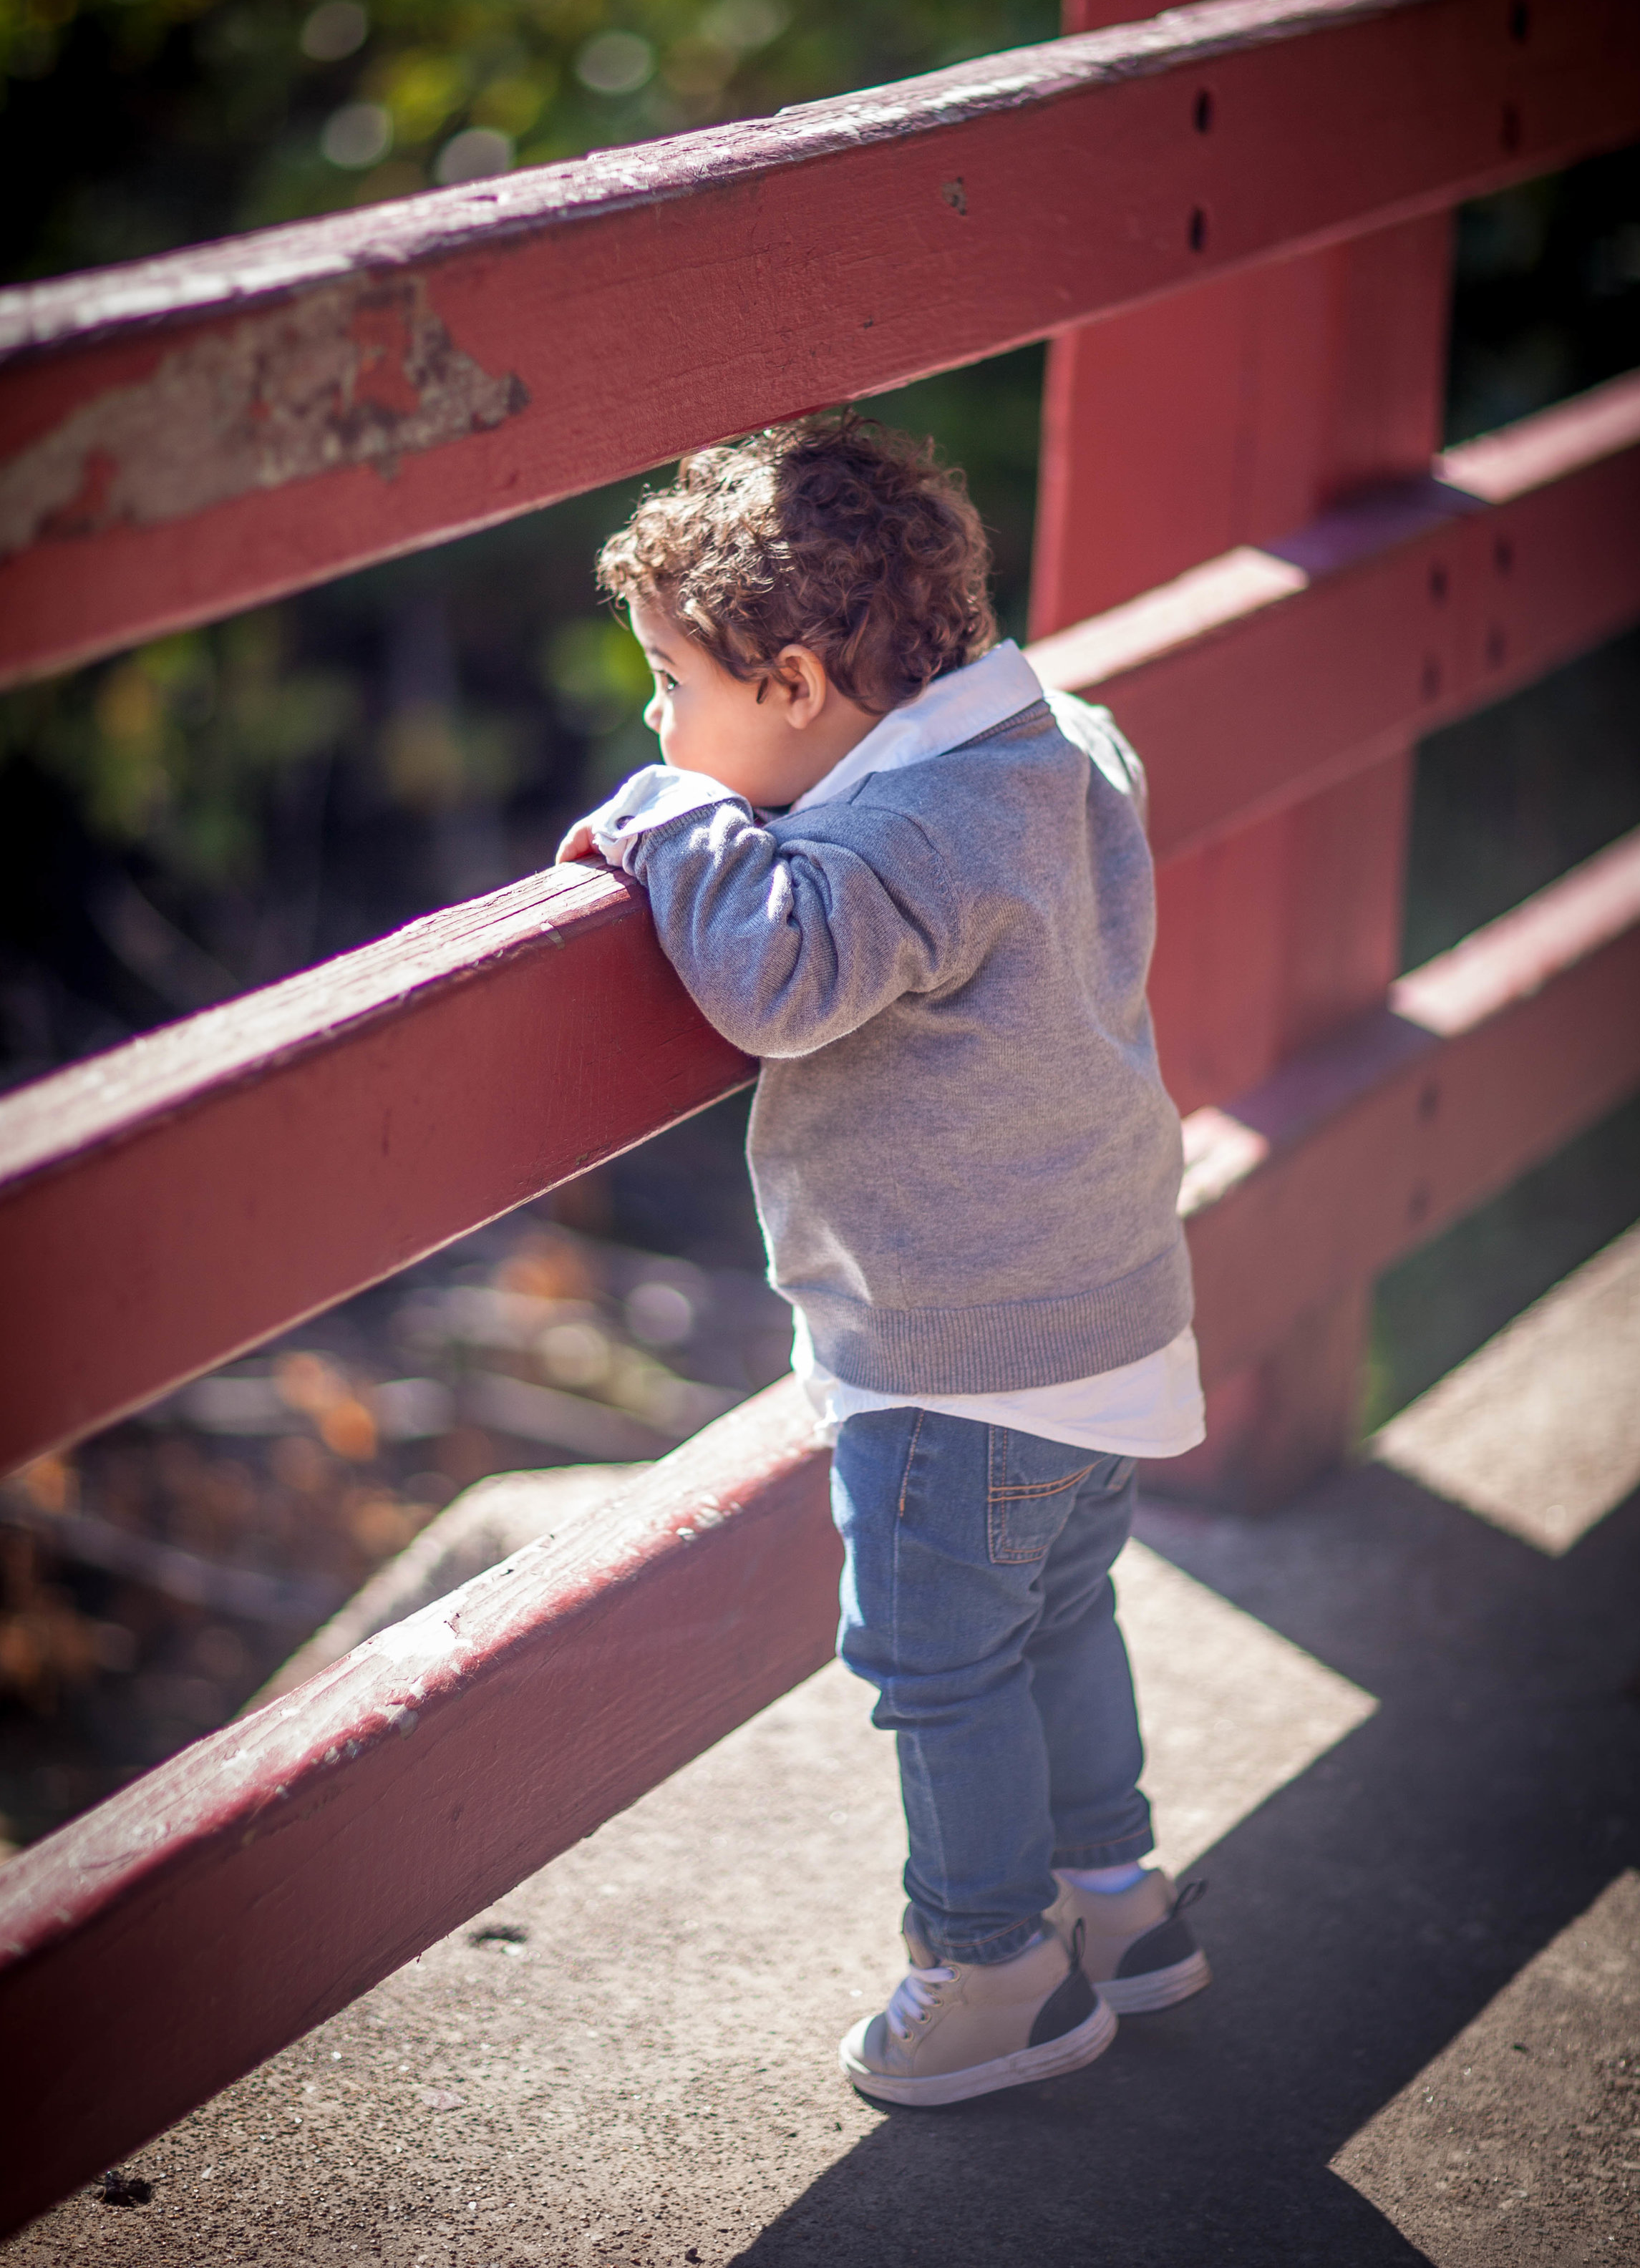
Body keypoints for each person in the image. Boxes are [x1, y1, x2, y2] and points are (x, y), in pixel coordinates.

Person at [557, 412, 1210, 2107]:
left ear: (789, 686)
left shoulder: (913, 838)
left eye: (671, 683)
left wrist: (669, 822)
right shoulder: (1058, 744)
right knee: (1058, 1622)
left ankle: (992, 1971)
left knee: (938, 1670)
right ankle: (1117, 1909)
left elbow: (774, 977)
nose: (655, 718)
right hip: (1108, 1312)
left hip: (958, 1360)